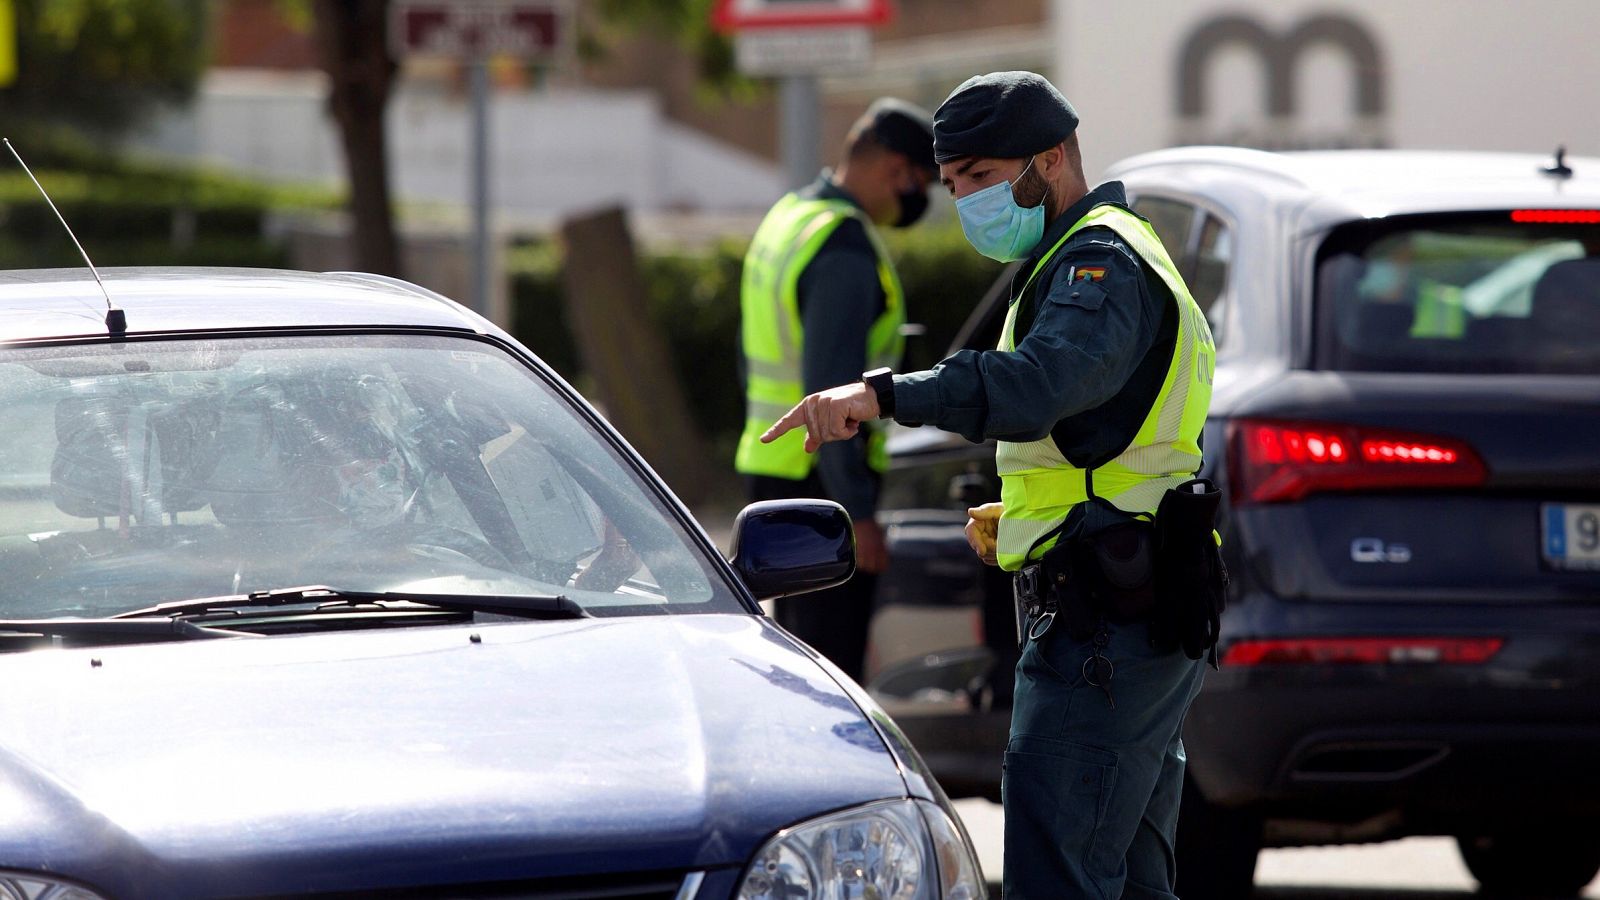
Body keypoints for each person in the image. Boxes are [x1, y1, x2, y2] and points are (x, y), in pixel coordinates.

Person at [760, 72, 1222, 900]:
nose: (965, 200)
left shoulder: (1099, 260)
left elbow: (1043, 382)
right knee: (1131, 877)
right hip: (1125, 598)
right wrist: (1033, 511)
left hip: (1107, 625)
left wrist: (883, 394)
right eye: (951, 184)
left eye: (979, 176)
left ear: (1052, 157)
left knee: (1060, 874)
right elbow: (1114, 431)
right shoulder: (1080, 252)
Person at [734, 97, 938, 683]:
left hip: (771, 469)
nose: (917, 196)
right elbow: (833, 393)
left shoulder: (790, 215)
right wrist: (859, 512)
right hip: (823, 487)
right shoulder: (843, 246)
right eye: (919, 181)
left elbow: (750, 356)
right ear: (893, 168)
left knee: (793, 665)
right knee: (831, 676)